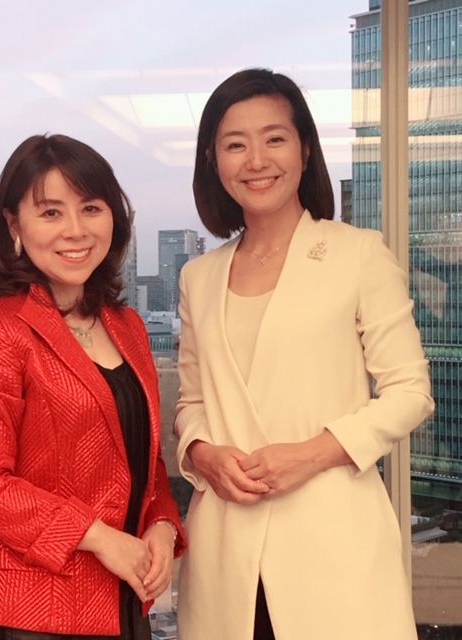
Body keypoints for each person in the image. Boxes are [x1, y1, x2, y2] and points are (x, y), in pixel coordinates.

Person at [174, 68, 434, 640]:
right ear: (213, 161)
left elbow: (410, 392)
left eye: (274, 138)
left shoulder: (358, 254)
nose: (256, 160)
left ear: (305, 148)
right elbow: (192, 401)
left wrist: (312, 454)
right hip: (224, 547)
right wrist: (202, 453)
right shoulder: (199, 276)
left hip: (331, 539)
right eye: (235, 145)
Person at [0, 134, 185, 640]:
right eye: (50, 212)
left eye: (90, 208)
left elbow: (145, 459)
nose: (75, 230)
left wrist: (162, 525)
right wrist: (100, 538)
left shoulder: (126, 326)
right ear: (15, 225)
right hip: (32, 615)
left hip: (125, 602)